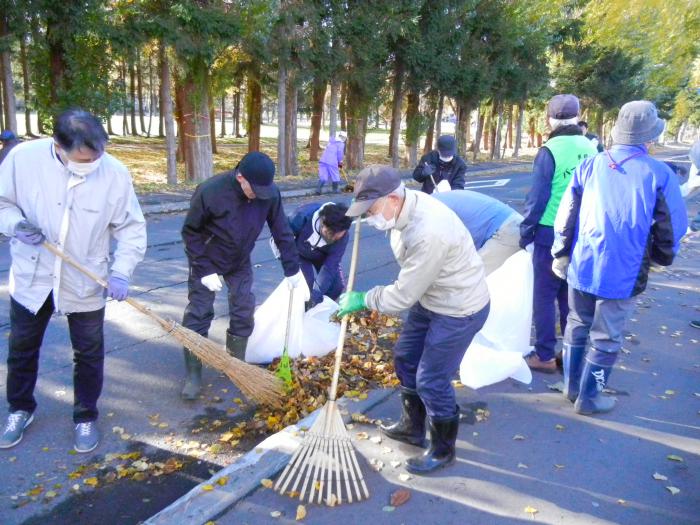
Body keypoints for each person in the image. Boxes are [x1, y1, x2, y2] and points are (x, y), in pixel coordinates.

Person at [0, 109, 147, 452]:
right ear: (58, 146)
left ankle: (85, 416)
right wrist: (17, 226)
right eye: (82, 159)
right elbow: (2, 204)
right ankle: (20, 409)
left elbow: (131, 228)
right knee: (22, 347)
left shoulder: (114, 173)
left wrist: (122, 270)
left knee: (89, 352)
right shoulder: (23, 159)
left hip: (85, 278)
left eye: (96, 156)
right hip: (33, 275)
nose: (91, 164)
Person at [338, 165, 490, 474]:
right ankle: (412, 428)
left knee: (432, 379)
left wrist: (363, 299)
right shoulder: (404, 209)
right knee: (406, 358)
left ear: (393, 198)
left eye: (372, 209)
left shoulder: (428, 230)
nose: (369, 217)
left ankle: (443, 449)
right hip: (432, 297)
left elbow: (403, 296)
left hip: (459, 307)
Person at [553, 100, 687, 415]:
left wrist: (561, 253)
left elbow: (566, 216)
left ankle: (571, 388)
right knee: (607, 334)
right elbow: (672, 227)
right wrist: (661, 258)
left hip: (583, 261)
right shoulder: (659, 174)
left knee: (576, 322)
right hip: (625, 267)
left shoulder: (591, 164)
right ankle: (589, 398)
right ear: (649, 138)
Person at [180, 151, 302, 400]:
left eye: (263, 190)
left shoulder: (268, 194)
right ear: (240, 178)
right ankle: (193, 374)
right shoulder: (211, 191)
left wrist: (293, 270)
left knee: (244, 308)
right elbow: (190, 232)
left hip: (239, 259)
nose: (257, 195)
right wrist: (204, 269)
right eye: (253, 189)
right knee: (199, 312)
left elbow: (282, 231)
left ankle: (236, 365)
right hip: (207, 258)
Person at [519, 95, 597, 373]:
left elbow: (538, 197)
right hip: (583, 232)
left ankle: (544, 355)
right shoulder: (591, 148)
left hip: (549, 231)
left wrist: (525, 233)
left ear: (550, 119)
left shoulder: (549, 150)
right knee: (570, 296)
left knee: (544, 295)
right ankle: (571, 353)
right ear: (577, 117)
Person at [434, 190, 523, 275]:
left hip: (504, 231)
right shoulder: (435, 200)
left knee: (470, 280)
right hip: (510, 225)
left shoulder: (431, 211)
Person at [287, 202, 352, 309]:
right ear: (322, 222)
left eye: (338, 236)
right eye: (330, 233)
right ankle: (301, 312)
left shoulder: (343, 236)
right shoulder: (300, 217)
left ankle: (318, 309)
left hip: (323, 256)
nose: (333, 239)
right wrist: (288, 264)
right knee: (305, 285)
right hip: (299, 254)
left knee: (336, 286)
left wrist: (316, 295)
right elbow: (281, 241)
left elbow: (330, 266)